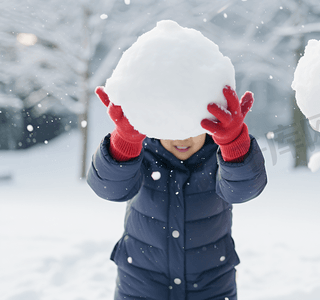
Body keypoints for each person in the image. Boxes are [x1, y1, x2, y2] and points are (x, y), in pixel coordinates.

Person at [87, 85, 267, 300]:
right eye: (173, 130)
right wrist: (124, 143)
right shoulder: (141, 150)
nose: (182, 140)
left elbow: (243, 190)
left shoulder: (220, 155)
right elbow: (109, 188)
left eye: (192, 130)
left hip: (211, 282)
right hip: (141, 281)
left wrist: (235, 146)